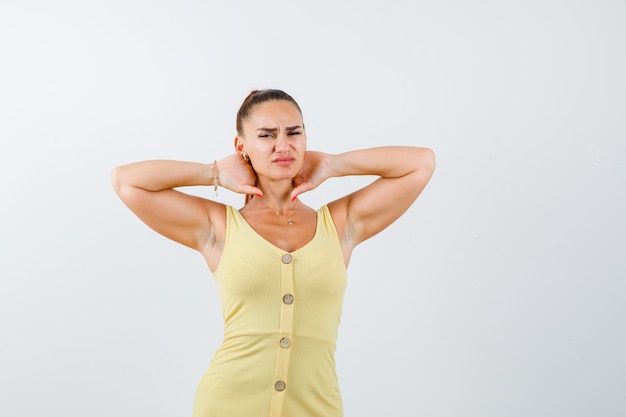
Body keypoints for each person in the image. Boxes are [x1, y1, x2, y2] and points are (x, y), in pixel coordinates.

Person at [111, 89, 435, 417]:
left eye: (294, 133)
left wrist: (333, 165)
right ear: (242, 147)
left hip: (317, 408)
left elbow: (421, 163)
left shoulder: (339, 224)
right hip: (228, 406)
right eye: (266, 135)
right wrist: (214, 173)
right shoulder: (219, 227)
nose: (283, 145)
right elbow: (127, 181)